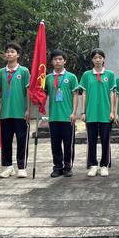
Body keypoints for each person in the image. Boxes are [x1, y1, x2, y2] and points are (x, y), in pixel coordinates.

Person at [0, 42, 30, 178]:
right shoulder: (1, 72)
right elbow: (0, 90)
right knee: (6, 140)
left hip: (20, 112)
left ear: (18, 54)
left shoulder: (24, 71)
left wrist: (28, 109)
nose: (9, 54)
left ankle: (21, 167)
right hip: (5, 113)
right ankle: (8, 167)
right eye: (7, 52)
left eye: (12, 51)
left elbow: (28, 91)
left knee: (21, 140)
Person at [79, 49, 116, 177]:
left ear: (104, 59)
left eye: (100, 57)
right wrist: (83, 112)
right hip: (91, 113)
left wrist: (112, 111)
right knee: (92, 140)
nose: (98, 60)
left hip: (106, 113)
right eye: (95, 57)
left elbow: (112, 93)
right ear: (92, 60)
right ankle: (93, 165)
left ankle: (105, 165)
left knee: (106, 140)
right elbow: (84, 93)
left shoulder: (110, 75)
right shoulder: (86, 75)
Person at [45, 49, 78, 178]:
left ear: (65, 61)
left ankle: (68, 166)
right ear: (52, 62)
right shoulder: (47, 78)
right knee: (55, 144)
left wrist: (74, 112)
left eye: (60, 59)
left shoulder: (71, 77)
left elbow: (75, 95)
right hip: (53, 116)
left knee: (68, 143)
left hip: (67, 116)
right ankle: (57, 167)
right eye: (55, 59)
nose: (58, 62)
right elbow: (42, 94)